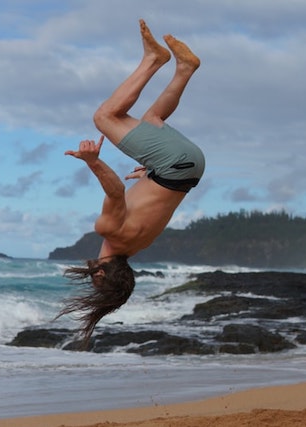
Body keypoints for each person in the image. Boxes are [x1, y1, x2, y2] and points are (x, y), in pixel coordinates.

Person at [57, 19, 205, 345]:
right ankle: (154, 59)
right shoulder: (110, 232)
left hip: (186, 171)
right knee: (104, 118)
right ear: (100, 272)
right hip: (174, 166)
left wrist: (150, 174)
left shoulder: (137, 245)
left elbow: (155, 202)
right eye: (96, 279)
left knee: (152, 119)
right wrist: (94, 162)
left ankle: (185, 68)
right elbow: (116, 190)